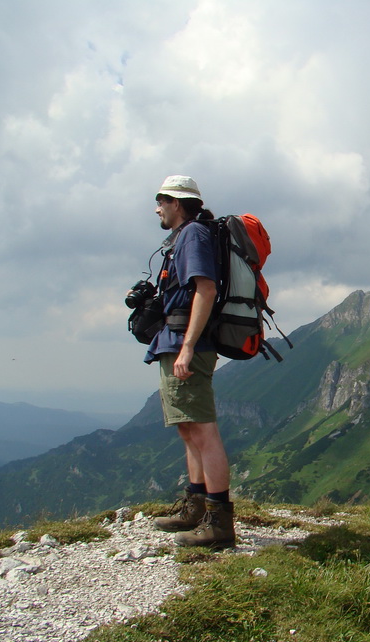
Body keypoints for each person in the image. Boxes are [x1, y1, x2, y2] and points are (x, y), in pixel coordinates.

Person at [142, 175, 235, 549]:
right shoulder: (185, 237)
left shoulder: (193, 234)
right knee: (187, 428)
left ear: (177, 203)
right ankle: (196, 506)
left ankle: (219, 522)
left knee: (203, 431)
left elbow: (206, 289)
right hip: (176, 340)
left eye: (161, 201)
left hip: (186, 343)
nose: (157, 209)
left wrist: (187, 348)